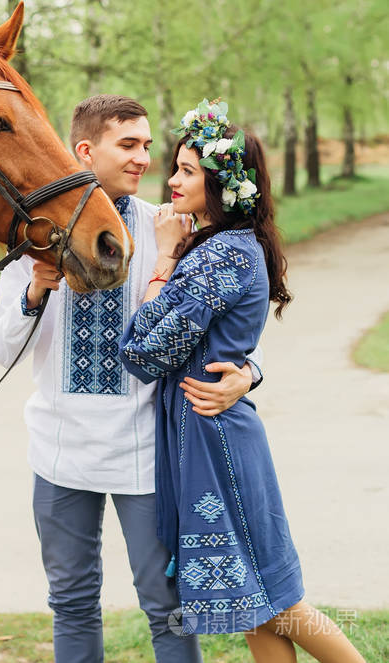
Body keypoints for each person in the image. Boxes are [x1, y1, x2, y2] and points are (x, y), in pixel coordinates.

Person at [0, 94, 262, 663]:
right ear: (86, 150)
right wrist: (36, 289)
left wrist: (250, 373)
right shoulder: (34, 233)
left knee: (166, 603)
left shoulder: (168, 231)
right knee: (71, 600)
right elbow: (1, 350)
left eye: (147, 145)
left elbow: (231, 325)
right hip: (60, 452)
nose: (144, 159)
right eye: (129, 145)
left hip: (146, 453)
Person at [119, 99, 366, 663]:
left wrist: (162, 258)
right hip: (209, 433)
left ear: (223, 185)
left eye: (187, 171)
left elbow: (144, 351)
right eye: (175, 166)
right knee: (257, 606)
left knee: (278, 603)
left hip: (216, 441)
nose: (172, 179)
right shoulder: (221, 247)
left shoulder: (220, 254)